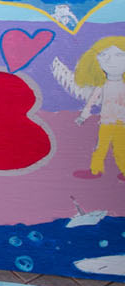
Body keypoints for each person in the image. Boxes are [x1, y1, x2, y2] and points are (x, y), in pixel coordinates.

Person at [52, 37, 125, 179]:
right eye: (104, 56)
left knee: (121, 149)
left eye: (119, 55)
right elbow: (91, 102)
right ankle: (95, 170)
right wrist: (83, 116)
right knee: (100, 147)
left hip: (121, 123)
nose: (111, 61)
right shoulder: (102, 86)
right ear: (96, 61)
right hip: (106, 123)